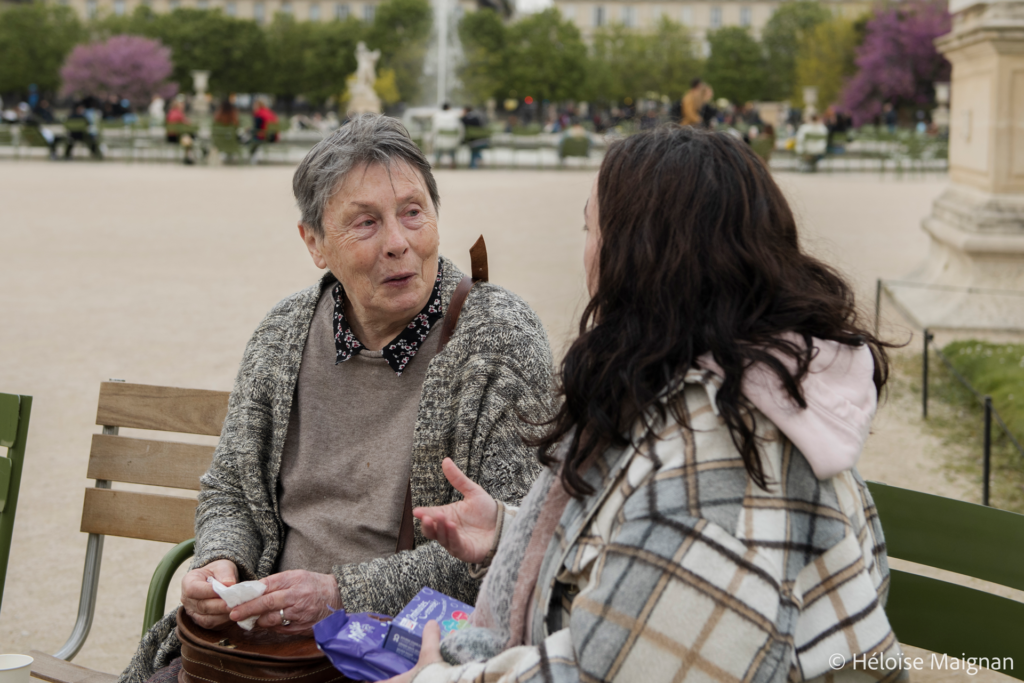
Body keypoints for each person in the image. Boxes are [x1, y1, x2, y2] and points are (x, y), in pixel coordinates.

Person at [400, 126, 904, 683]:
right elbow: (654, 565)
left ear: (637, 259)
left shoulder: (719, 473)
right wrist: (514, 531)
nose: (586, 249)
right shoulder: (733, 385)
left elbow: (614, 667)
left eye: (591, 227)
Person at [118, 113, 553, 683]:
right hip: (260, 647)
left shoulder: (498, 338)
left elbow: (510, 547)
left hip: (404, 655)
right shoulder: (283, 333)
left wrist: (339, 594)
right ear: (315, 243)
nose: (399, 243)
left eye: (413, 213)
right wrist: (220, 561)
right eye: (365, 223)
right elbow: (231, 490)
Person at [432, 103, 463, 169]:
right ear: (449, 108)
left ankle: (437, 161)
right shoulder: (454, 115)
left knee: (437, 147)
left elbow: (434, 130)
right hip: (453, 142)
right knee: (452, 147)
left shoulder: (437, 115)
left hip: (440, 142)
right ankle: (453, 162)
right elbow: (460, 129)